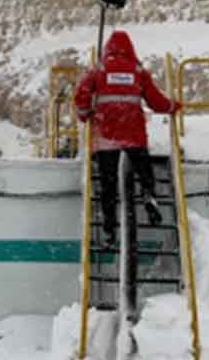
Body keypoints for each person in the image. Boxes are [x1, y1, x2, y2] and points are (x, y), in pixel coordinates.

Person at [74, 30, 181, 246]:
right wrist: (173, 106)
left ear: (108, 49)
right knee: (144, 170)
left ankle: (109, 230)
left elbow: (81, 93)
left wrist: (84, 114)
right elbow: (156, 101)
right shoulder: (138, 71)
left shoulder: (99, 70)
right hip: (134, 134)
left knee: (108, 185)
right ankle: (149, 195)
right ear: (130, 48)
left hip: (106, 136)